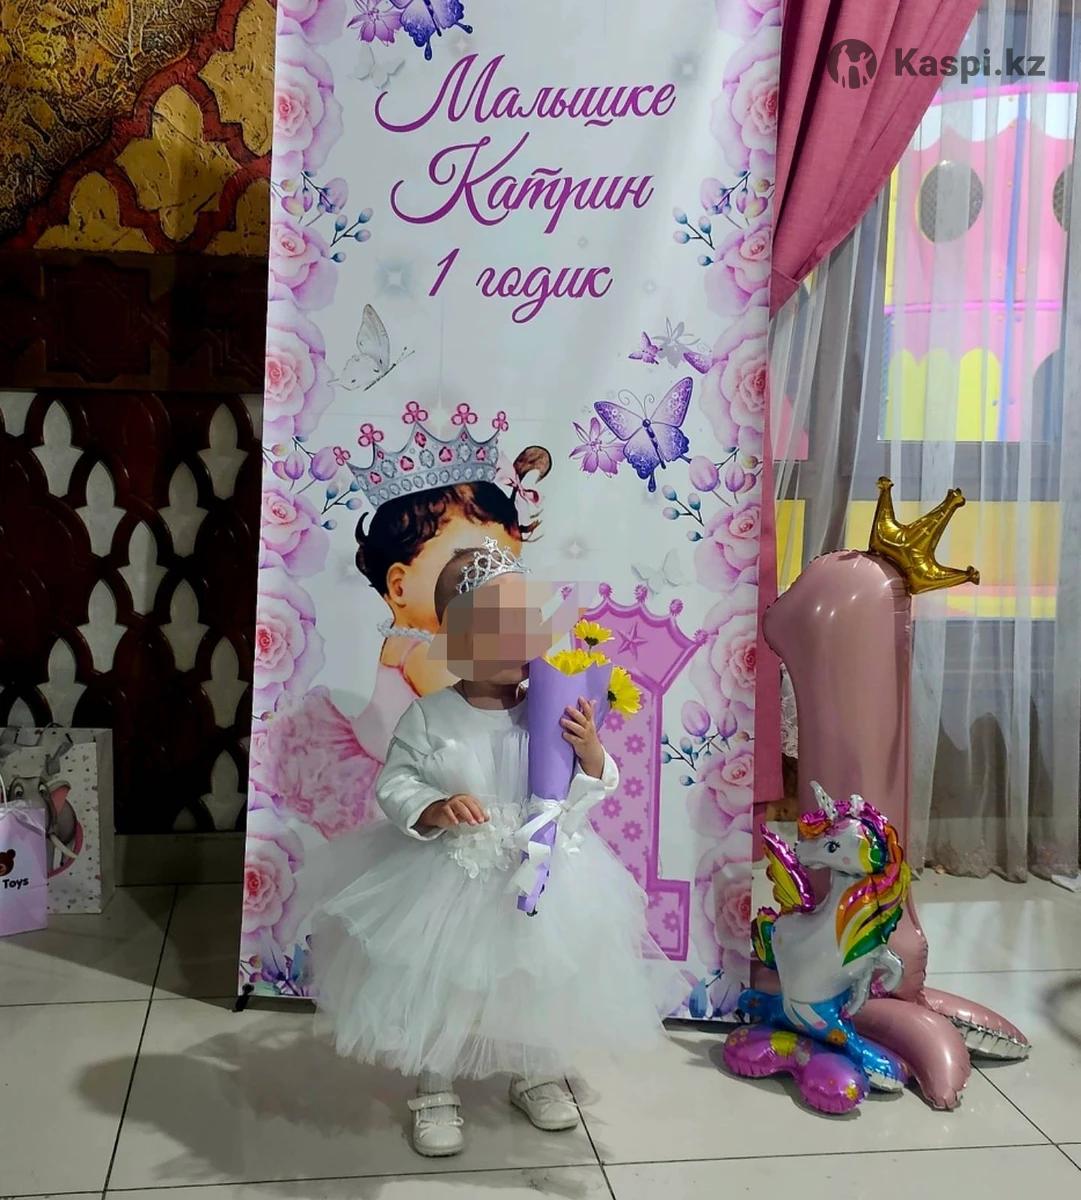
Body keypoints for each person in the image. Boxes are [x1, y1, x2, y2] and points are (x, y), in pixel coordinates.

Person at [310, 539, 680, 1157]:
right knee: (443, 983)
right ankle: (435, 1083)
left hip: (543, 877)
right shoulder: (431, 716)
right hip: (451, 877)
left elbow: (588, 787)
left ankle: (534, 1070)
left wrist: (589, 749)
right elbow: (396, 782)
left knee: (535, 979)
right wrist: (434, 806)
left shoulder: (551, 708)